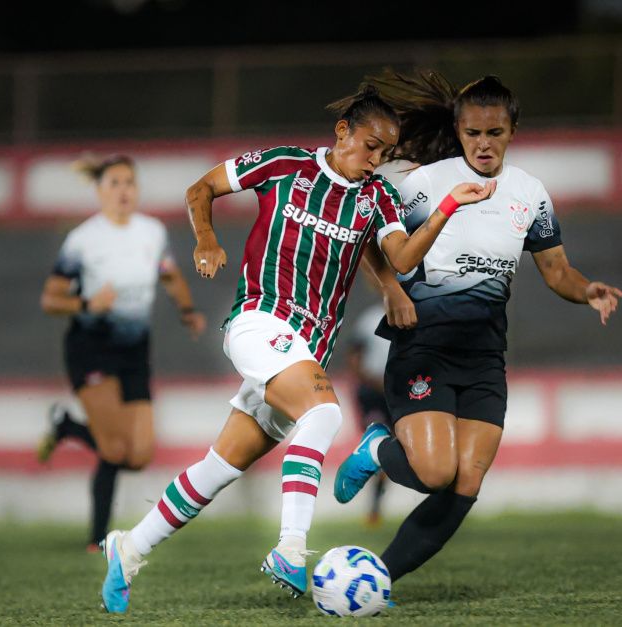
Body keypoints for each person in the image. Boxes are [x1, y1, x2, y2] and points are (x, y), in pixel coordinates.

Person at [98, 84, 498, 613]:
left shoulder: (376, 196)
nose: (375, 160)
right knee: (325, 412)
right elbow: (202, 188)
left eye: (384, 152)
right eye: (370, 147)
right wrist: (206, 239)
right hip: (259, 322)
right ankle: (290, 549)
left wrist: (438, 218)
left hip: (306, 347)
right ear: (342, 132)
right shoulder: (285, 165)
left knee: (221, 466)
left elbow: (397, 256)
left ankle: (129, 547)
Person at [334, 71, 622, 591]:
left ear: (512, 131)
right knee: (434, 473)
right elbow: (369, 239)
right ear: (458, 131)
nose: (484, 143)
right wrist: (392, 291)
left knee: (465, 481)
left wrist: (588, 291)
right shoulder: (424, 185)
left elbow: (557, 270)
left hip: (484, 356)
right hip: (424, 346)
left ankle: (377, 579)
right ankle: (377, 448)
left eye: (495, 133)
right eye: (473, 133)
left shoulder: (529, 194)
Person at [37, 154, 206, 553]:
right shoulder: (83, 240)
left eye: (129, 182)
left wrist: (187, 311)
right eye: (114, 183)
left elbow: (169, 275)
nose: (123, 190)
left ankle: (66, 425)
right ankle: (98, 539)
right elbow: (50, 299)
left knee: (139, 455)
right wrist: (87, 304)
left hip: (134, 350)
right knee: (113, 448)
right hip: (91, 347)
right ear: (99, 191)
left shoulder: (152, 232)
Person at [346, 301, 396, 527]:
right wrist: (368, 380)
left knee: (391, 448)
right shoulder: (370, 319)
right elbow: (354, 356)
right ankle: (372, 507)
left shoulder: (416, 316)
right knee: (378, 445)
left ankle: (374, 508)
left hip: (397, 392)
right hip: (372, 393)